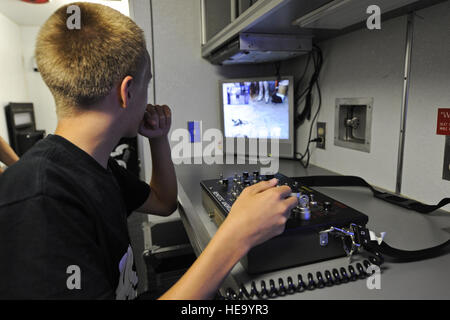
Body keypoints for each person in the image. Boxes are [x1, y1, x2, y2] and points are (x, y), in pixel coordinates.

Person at [0, 2, 297, 299]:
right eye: (147, 86)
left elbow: (163, 202)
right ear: (126, 92)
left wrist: (158, 139)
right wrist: (236, 236)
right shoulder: (40, 201)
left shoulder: (93, 164)